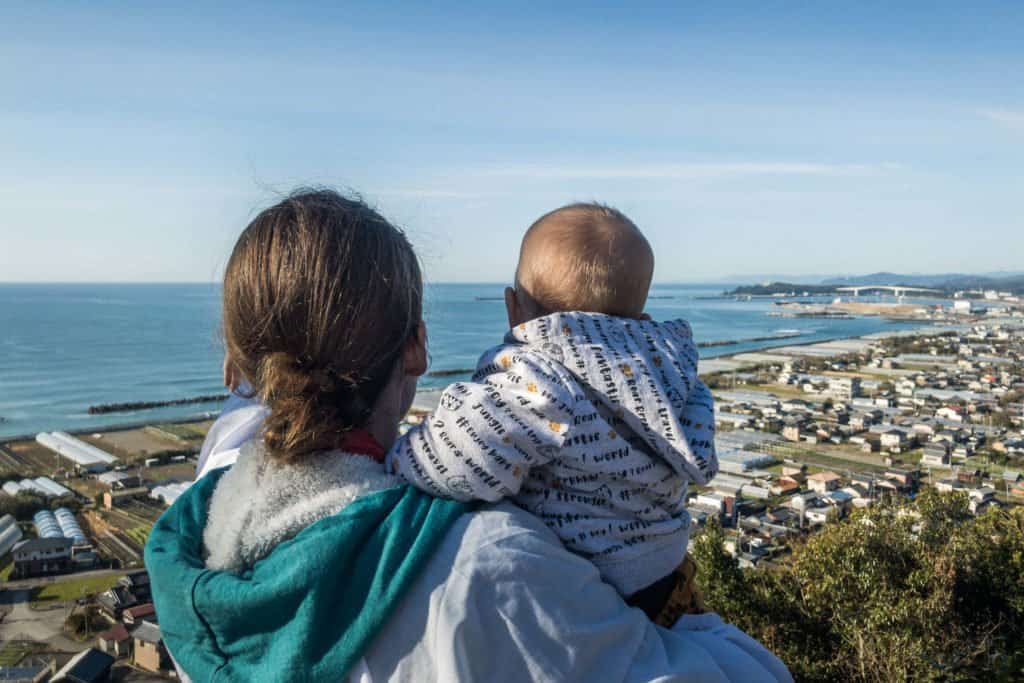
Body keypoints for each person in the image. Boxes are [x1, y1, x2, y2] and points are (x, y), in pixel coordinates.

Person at [145, 189, 791, 682]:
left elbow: (251, 415)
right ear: (417, 348)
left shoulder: (205, 514)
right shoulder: (489, 564)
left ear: (241, 367)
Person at [386, 202, 716, 624]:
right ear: (641, 319)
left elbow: (466, 451)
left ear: (512, 308)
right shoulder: (671, 374)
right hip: (668, 574)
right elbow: (699, 438)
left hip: (594, 581)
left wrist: (398, 459)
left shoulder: (540, 373)